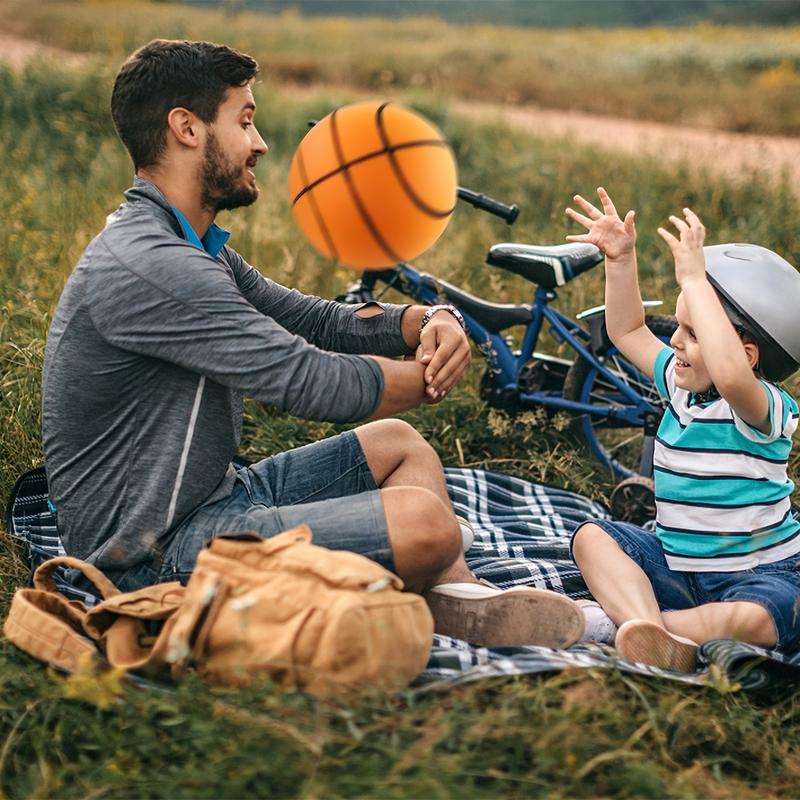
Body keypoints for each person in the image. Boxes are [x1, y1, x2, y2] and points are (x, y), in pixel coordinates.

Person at [41, 39, 584, 650]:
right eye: (244, 120)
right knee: (430, 521)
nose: (261, 142)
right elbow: (307, 379)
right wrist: (431, 376)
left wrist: (427, 318)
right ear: (186, 129)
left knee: (400, 446)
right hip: (149, 554)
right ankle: (439, 591)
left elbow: (318, 322)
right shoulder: (154, 264)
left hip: (216, 496)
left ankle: (463, 604)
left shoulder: (188, 244)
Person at [564, 187, 800, 671]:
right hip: (678, 568)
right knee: (591, 537)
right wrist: (620, 260)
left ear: (748, 355)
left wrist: (695, 277)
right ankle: (653, 630)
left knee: (764, 618)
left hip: (760, 573)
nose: (674, 341)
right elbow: (627, 331)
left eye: (693, 333)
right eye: (678, 325)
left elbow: (732, 376)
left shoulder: (764, 409)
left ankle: (621, 625)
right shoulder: (679, 383)